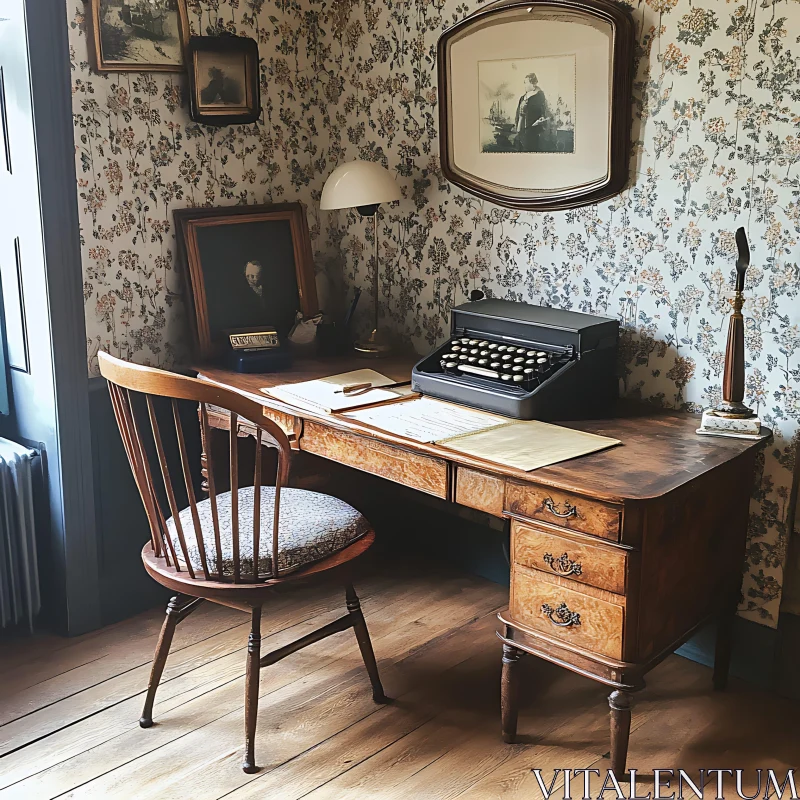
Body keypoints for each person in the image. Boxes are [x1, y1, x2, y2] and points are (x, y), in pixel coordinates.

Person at [514, 73, 550, 152]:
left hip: (534, 134)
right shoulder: (522, 98)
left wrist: (540, 120)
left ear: (533, 83)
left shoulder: (539, 96)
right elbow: (518, 115)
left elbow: (544, 112)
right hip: (522, 132)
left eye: (526, 83)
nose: (525, 85)